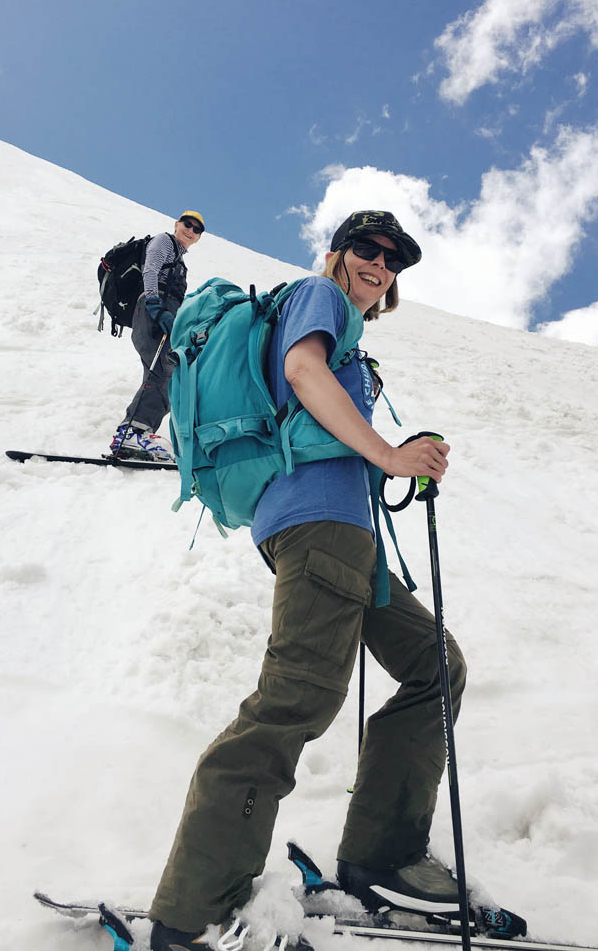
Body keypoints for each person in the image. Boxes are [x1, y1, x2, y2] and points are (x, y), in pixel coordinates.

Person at [147, 210, 467, 950]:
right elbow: (300, 370)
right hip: (318, 523)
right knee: (296, 701)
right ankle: (197, 908)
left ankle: (379, 856)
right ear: (337, 253)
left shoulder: (348, 328)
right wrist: (389, 455)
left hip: (346, 536)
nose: (379, 265)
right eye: (367, 248)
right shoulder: (317, 297)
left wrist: (395, 454)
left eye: (393, 260)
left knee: (436, 665)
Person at [110, 211, 205, 462]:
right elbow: (150, 269)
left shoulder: (180, 262)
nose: (191, 230)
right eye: (187, 224)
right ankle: (133, 431)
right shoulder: (164, 241)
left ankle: (137, 435)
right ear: (177, 224)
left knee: (164, 371)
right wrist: (154, 304)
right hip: (152, 308)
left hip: (165, 312)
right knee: (164, 369)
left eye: (197, 229)